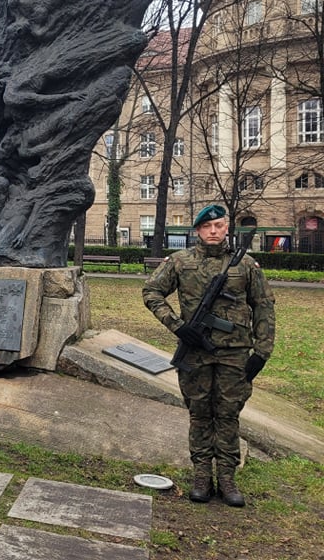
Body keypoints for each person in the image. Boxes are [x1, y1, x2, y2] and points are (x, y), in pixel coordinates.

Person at [142, 205, 275, 506]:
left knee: (228, 415)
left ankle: (227, 478)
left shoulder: (246, 266)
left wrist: (262, 352)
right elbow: (151, 292)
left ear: (227, 227)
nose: (213, 231)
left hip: (236, 355)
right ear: (198, 230)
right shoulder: (180, 262)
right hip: (197, 352)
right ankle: (202, 475)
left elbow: (264, 307)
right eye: (206, 227)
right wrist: (177, 327)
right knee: (199, 413)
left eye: (218, 225)